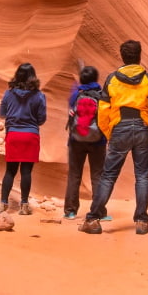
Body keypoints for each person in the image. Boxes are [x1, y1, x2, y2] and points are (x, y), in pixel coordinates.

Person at [80, 40, 148, 235]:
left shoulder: (112, 79)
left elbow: (103, 110)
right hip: (142, 127)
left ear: (122, 56)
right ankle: (142, 222)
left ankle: (93, 220)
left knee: (108, 175)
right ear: (139, 56)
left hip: (119, 128)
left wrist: (110, 132)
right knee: (142, 175)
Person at [0, 62, 46, 214]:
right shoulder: (39, 96)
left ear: (17, 75)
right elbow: (41, 119)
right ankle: (24, 206)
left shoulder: (8, 94)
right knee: (26, 172)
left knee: (10, 171)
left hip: (13, 135)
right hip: (30, 135)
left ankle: (3, 204)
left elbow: (2, 113)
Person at [64, 65, 107, 220]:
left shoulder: (76, 95)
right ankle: (99, 212)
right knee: (97, 176)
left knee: (74, 175)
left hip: (76, 140)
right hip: (97, 140)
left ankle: (70, 211)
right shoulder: (102, 95)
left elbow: (71, 108)